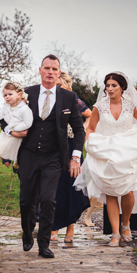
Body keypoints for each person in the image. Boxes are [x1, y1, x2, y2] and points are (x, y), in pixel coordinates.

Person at [74, 72, 137, 246]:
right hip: (106, 152)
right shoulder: (99, 106)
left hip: (128, 154)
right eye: (107, 85)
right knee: (110, 193)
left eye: (114, 85)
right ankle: (115, 234)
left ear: (122, 87)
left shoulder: (132, 106)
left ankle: (126, 224)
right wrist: (89, 144)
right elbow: (91, 128)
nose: (110, 88)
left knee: (128, 192)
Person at [15, 55, 85, 258]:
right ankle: (27, 234)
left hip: (54, 157)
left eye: (54, 69)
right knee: (27, 201)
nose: (50, 72)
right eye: (47, 68)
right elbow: (8, 115)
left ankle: (44, 244)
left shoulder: (68, 98)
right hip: (28, 154)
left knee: (48, 199)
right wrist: (11, 131)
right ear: (40, 70)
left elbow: (79, 130)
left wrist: (75, 157)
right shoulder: (27, 93)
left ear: (59, 72)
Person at [102, 86, 137, 235]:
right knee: (114, 187)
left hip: (135, 149)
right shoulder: (112, 106)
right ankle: (114, 228)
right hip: (115, 149)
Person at [50, 72, 91, 243]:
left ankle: (70, 226)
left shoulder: (74, 100)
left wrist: (81, 129)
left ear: (67, 86)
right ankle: (53, 226)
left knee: (71, 187)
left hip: (72, 146)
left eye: (59, 85)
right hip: (53, 147)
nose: (57, 88)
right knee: (55, 187)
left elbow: (91, 115)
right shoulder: (50, 99)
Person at [0, 82, 33, 167]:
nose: (7, 97)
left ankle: (16, 163)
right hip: (6, 134)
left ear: (18, 95)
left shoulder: (24, 109)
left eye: (10, 94)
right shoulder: (6, 106)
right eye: (5, 95)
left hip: (17, 133)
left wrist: (15, 129)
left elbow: (27, 123)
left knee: (11, 150)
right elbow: (0, 115)